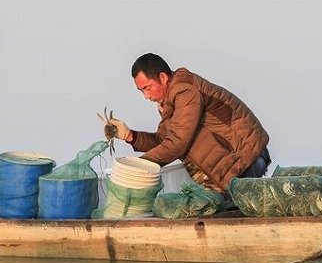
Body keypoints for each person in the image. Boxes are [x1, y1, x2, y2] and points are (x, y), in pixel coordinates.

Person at [107, 53, 271, 194]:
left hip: (246, 162)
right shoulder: (171, 103)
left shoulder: (186, 91)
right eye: (142, 91)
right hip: (233, 169)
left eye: (147, 88)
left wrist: (137, 166)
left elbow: (177, 143)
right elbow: (164, 141)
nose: (146, 96)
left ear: (163, 78)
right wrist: (130, 136)